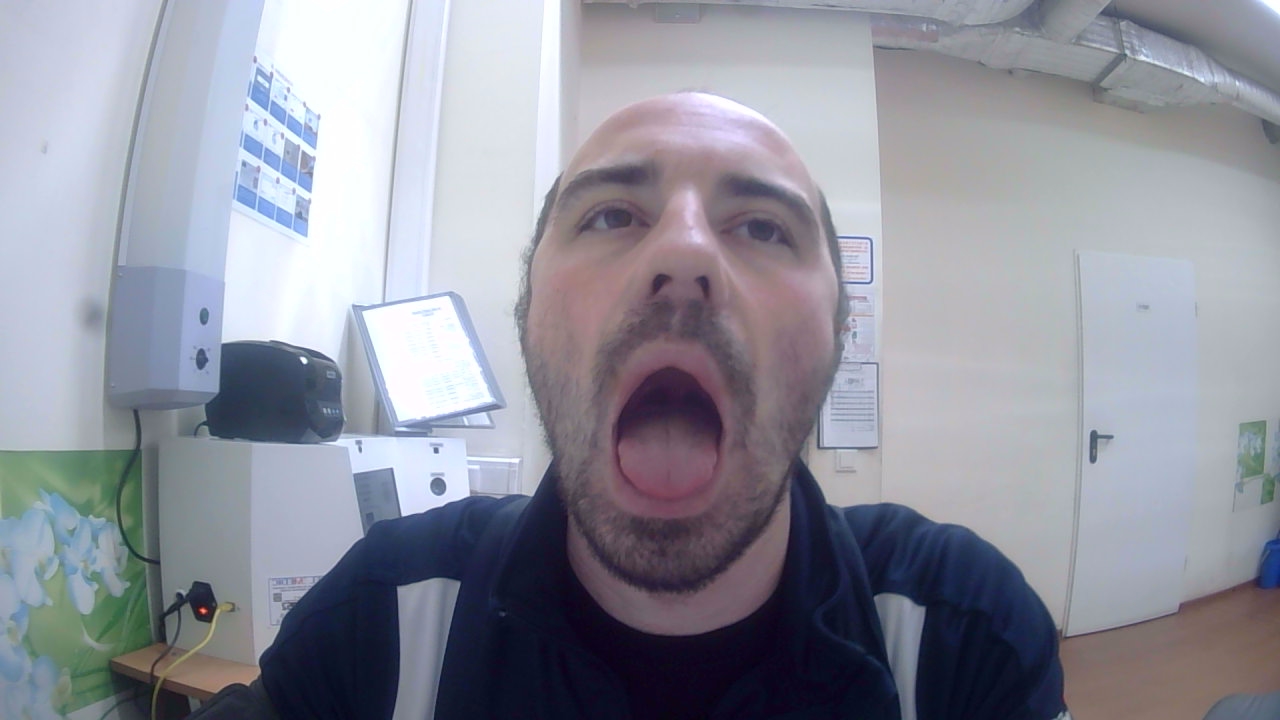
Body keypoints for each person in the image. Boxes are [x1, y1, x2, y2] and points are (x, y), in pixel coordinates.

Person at [191, 92, 1069, 720]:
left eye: (763, 227)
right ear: (528, 313)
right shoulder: (386, 614)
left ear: (839, 330)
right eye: (612, 215)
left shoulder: (959, 635)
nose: (684, 255)